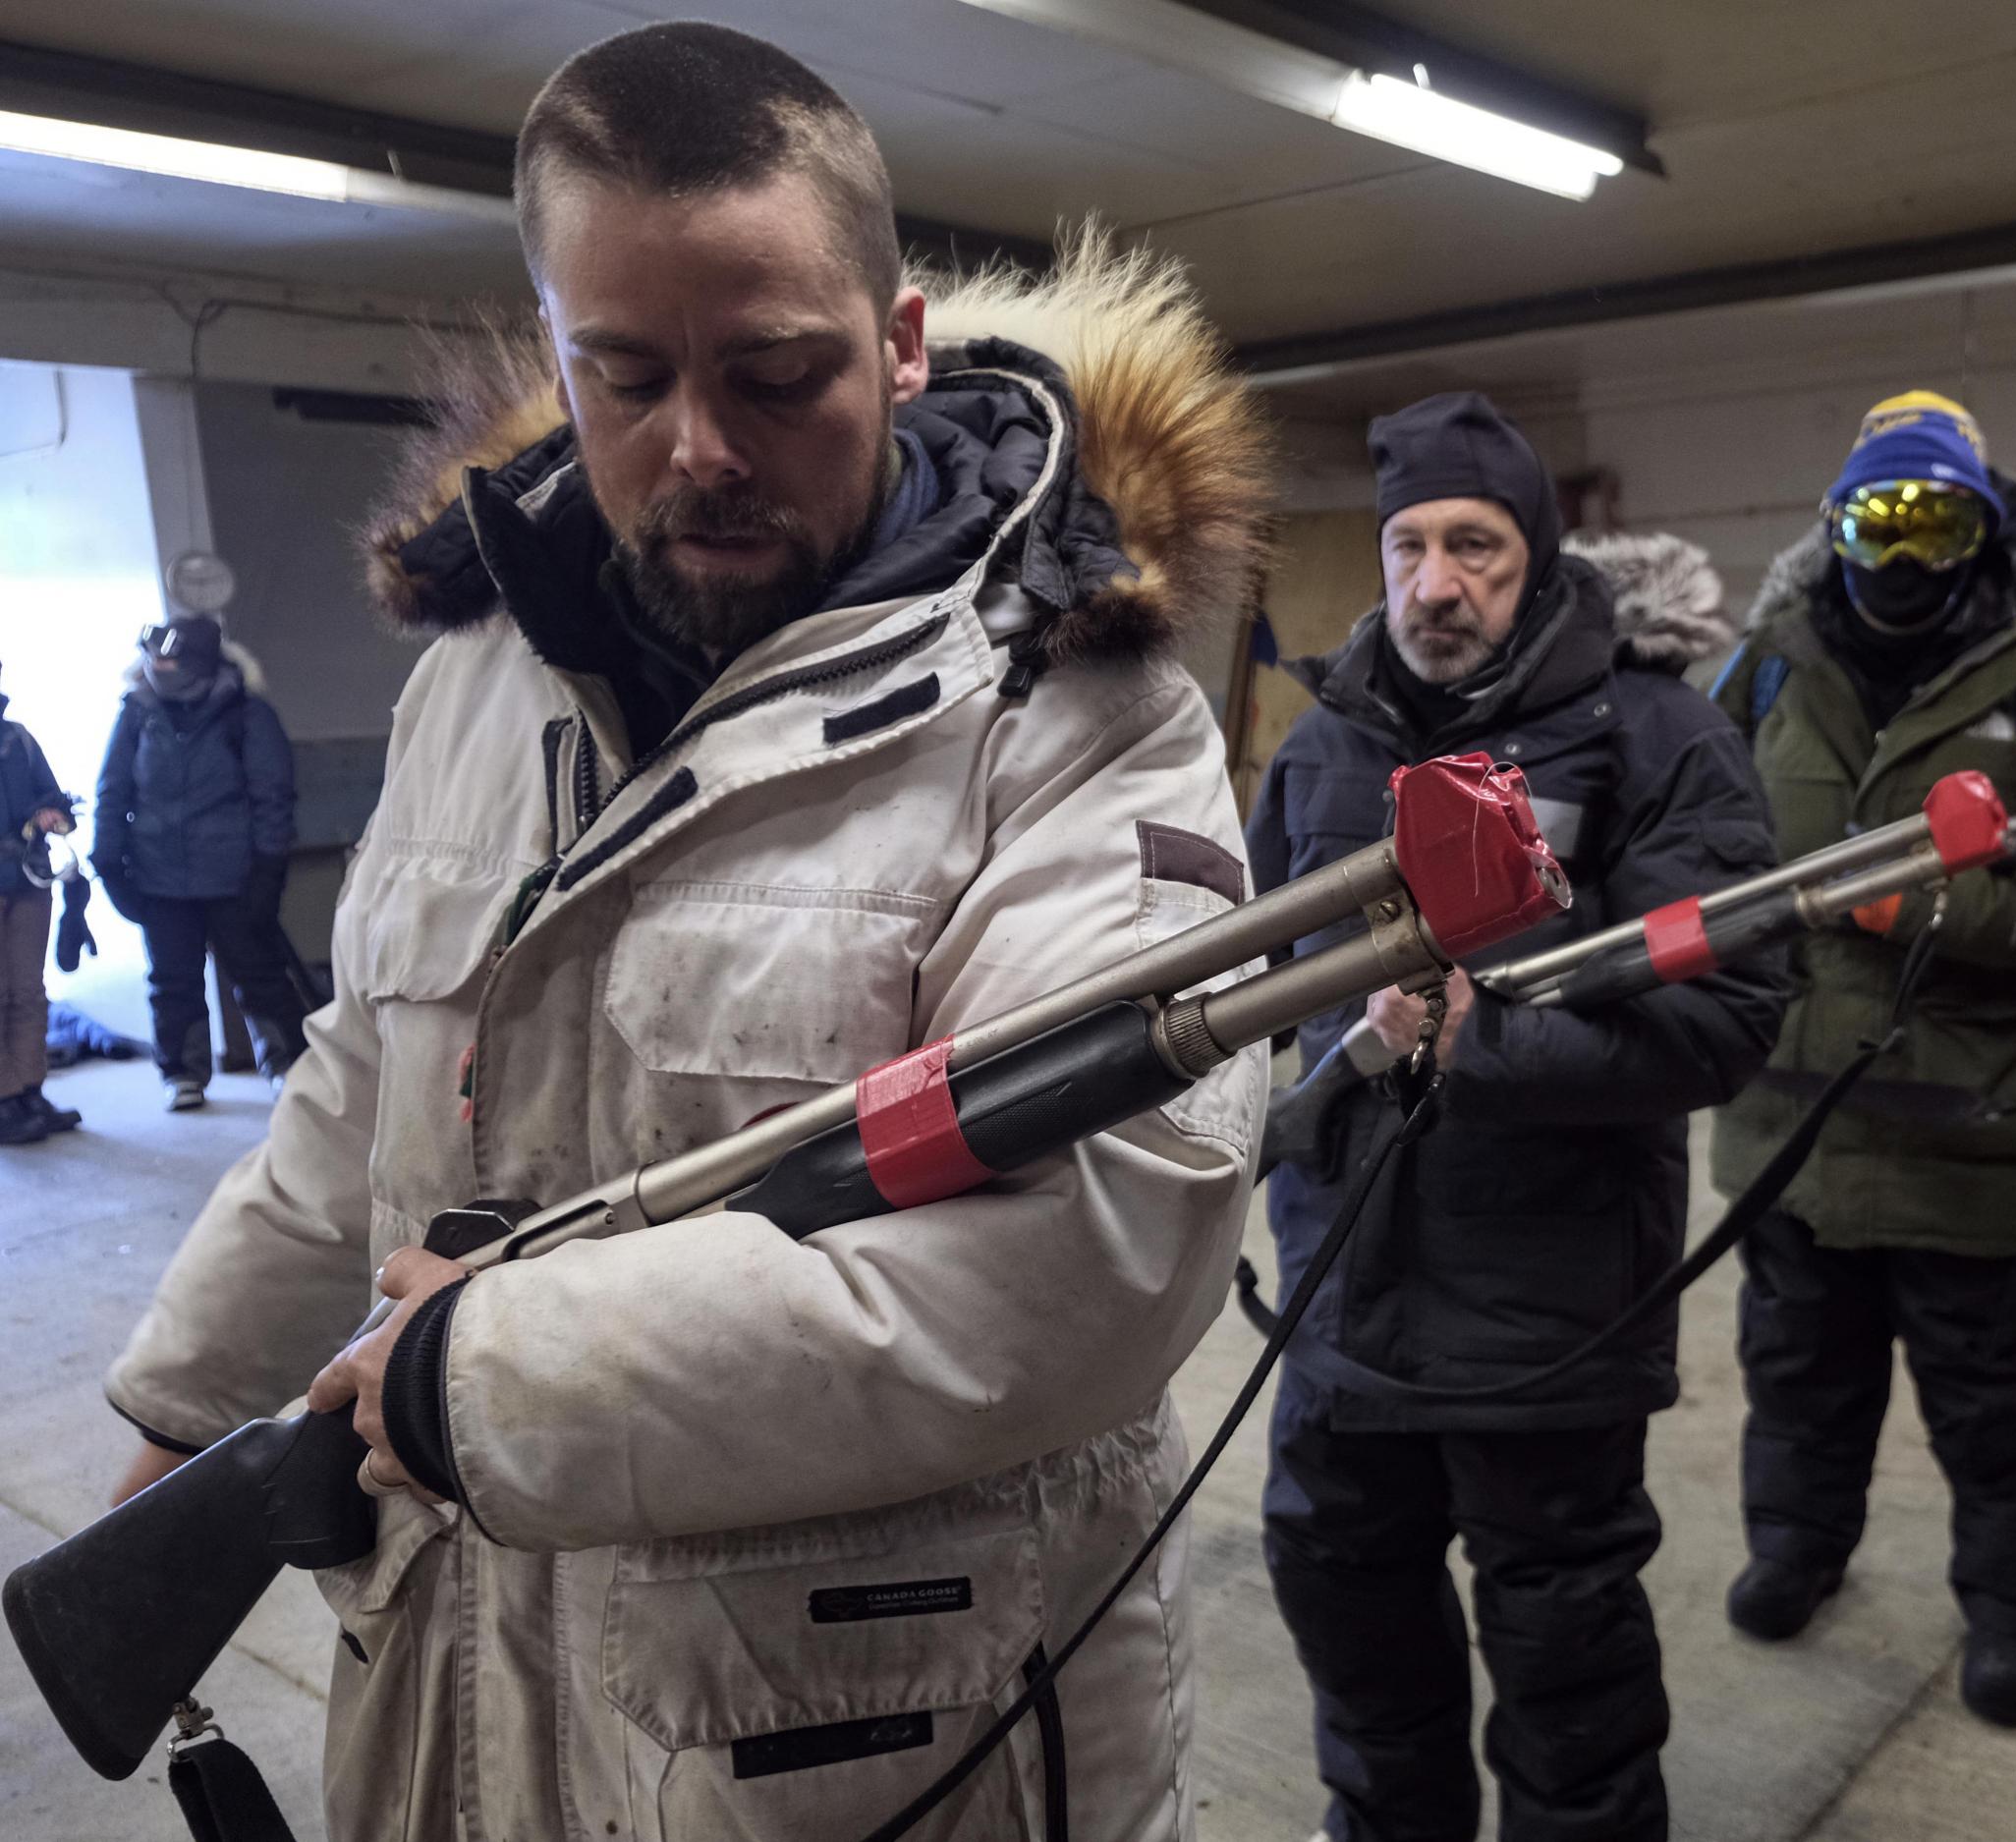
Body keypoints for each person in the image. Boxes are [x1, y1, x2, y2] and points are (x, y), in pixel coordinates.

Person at [100, 25, 1270, 1842]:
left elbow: (1096, 1260)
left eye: (779, 372)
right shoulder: (474, 681)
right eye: (625, 376)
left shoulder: (1079, 722)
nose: (700, 447)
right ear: (554, 348)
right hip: (454, 1693)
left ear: (900, 339)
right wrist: (186, 1404)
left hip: (862, 1737)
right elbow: (360, 1083)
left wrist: (475, 1378)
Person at [1246, 392, 1787, 1842]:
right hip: (1342, 1304)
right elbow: (1250, 985)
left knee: (1569, 1671)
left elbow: (1733, 1010)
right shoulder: (1321, 746)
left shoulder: (1658, 734)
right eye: (1408, 543)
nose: (1436, 581)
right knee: (1352, 1629)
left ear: (1537, 557)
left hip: (1548, 1324)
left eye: (1474, 544)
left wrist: (1485, 1044)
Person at [1708, 392, 2016, 1728]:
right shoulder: (1766, 674)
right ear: (1835, 526)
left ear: (1981, 533)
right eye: (1879, 518)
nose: (1905, 553)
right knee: (1798, 1367)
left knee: (1996, 1394)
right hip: (1790, 1120)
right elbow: (1699, 827)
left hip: (1970, 1125)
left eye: (1938, 520)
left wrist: (1916, 906)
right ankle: (1799, 1543)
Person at [93, 613, 308, 1109]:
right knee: (171, 981)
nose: (158, 666)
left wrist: (268, 870)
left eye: (169, 658)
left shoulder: (247, 714)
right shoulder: (136, 712)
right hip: (159, 877)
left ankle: (287, 1065)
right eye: (153, 657)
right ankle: (182, 1074)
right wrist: (107, 861)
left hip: (234, 877)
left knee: (260, 975)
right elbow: (113, 790)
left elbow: (272, 796)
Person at [0, 658, 78, 1144]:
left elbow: (52, 795)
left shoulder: (19, 738)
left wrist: (52, 814)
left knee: (29, 991)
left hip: (27, 878)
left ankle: (31, 1091)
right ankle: (5, 1099)